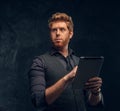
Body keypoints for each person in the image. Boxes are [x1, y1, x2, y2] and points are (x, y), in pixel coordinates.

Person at [28, 12, 104, 111]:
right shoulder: (39, 62)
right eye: (54, 30)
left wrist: (96, 91)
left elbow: (92, 103)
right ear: (50, 33)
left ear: (70, 34)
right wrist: (67, 78)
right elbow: (38, 100)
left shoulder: (80, 62)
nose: (58, 33)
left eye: (62, 29)